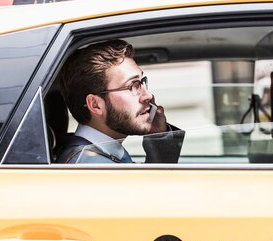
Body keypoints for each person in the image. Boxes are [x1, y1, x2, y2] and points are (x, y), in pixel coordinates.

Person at [56, 39, 184, 164]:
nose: (148, 96)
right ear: (95, 105)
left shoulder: (99, 155)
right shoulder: (94, 168)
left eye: (141, 82)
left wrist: (159, 139)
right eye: (132, 86)